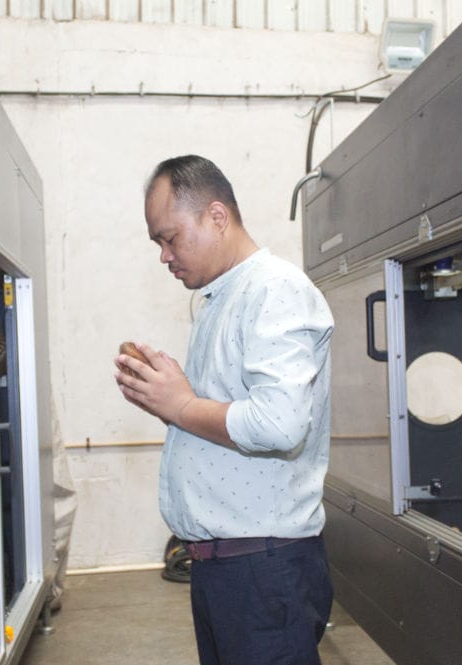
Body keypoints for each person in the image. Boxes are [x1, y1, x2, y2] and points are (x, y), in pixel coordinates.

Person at [114, 155, 335, 665]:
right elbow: (225, 415)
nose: (164, 256)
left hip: (262, 570)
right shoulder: (221, 299)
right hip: (229, 569)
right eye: (158, 243)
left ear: (217, 216)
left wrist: (183, 404)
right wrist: (168, 400)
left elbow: (279, 424)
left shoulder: (273, 289)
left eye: (171, 238)